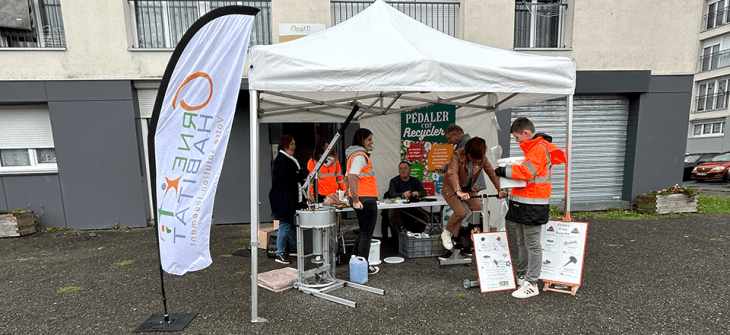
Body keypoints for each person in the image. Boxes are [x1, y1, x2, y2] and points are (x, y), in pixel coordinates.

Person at [494, 117, 566, 299]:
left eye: (517, 137)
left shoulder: (539, 149)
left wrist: (504, 170)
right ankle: (523, 275)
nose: (517, 141)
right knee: (522, 241)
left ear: (526, 133)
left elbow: (527, 172)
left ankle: (531, 283)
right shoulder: (533, 149)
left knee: (532, 244)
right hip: (523, 202)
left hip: (533, 204)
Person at [440, 137, 507, 260]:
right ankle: (447, 233)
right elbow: (452, 173)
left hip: (468, 187)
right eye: (473, 158)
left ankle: (468, 238)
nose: (476, 160)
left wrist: (500, 190)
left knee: (478, 210)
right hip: (450, 187)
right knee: (460, 212)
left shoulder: (481, 158)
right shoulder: (457, 155)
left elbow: (491, 172)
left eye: (478, 158)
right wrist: (458, 191)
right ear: (467, 151)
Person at [269, 135, 309, 265]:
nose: (294, 146)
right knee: (285, 224)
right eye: (292, 143)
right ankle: (279, 253)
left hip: (291, 198)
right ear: (285, 144)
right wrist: (300, 174)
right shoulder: (281, 159)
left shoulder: (288, 158)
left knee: (291, 224)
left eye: (294, 143)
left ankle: (293, 249)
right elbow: (287, 176)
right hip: (283, 199)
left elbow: (294, 175)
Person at [345, 128, 380, 275]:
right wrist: (355, 198)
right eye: (369, 139)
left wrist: (352, 198)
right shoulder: (360, 155)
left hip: (362, 199)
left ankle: (356, 263)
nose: (371, 142)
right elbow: (353, 176)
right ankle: (362, 267)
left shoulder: (353, 155)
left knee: (362, 233)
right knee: (366, 234)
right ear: (361, 140)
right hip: (366, 199)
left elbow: (348, 177)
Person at [386, 161, 430, 234]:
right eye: (400, 169)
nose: (403, 170)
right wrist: (403, 195)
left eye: (405, 168)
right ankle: (399, 238)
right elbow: (391, 193)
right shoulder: (394, 181)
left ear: (410, 170)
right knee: (393, 217)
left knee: (425, 217)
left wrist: (418, 193)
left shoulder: (415, 180)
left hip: (413, 207)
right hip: (397, 208)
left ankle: (415, 235)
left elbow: (424, 192)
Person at [307, 138, 345, 203]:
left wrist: (345, 192)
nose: (328, 150)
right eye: (326, 148)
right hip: (320, 196)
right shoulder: (313, 162)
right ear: (320, 148)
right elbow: (310, 181)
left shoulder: (335, 161)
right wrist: (311, 197)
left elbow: (340, 179)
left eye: (329, 147)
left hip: (334, 196)